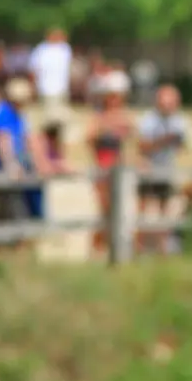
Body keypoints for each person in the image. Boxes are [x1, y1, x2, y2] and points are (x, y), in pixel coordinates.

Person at [0, 74, 40, 253]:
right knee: (16, 214)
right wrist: (12, 167)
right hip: (4, 174)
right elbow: (3, 143)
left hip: (9, 173)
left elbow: (25, 141)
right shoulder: (5, 115)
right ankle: (15, 253)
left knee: (2, 215)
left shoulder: (15, 115)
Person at [85, 70, 133, 253]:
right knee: (104, 211)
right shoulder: (99, 117)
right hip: (103, 168)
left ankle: (112, 249)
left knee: (117, 211)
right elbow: (89, 139)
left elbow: (131, 142)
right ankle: (98, 249)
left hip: (119, 169)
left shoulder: (124, 117)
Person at [136, 84, 187, 254]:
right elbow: (142, 147)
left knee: (165, 212)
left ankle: (162, 249)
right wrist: (165, 140)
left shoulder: (179, 120)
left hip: (167, 171)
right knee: (143, 211)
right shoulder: (148, 119)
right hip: (148, 171)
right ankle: (139, 248)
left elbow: (182, 146)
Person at [29, 28, 72, 117]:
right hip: (44, 88)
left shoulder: (65, 49)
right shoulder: (40, 50)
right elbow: (33, 69)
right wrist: (33, 86)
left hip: (61, 89)